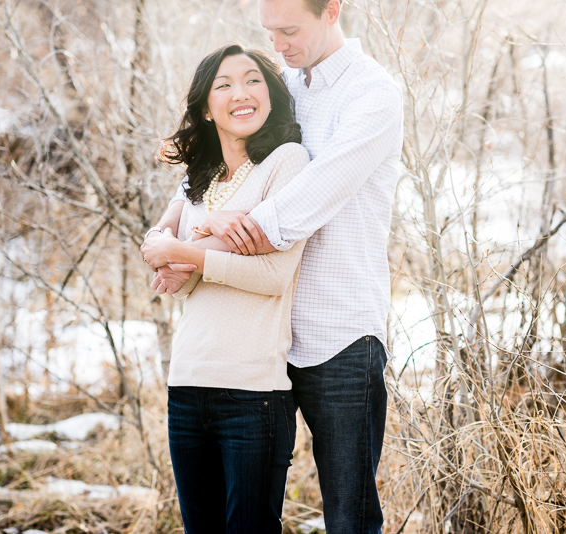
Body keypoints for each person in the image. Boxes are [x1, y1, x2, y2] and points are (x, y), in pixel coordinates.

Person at [154, 0, 403, 531]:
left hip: (338, 337)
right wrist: (175, 221)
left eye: (289, 30)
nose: (279, 45)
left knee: (348, 516)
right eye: (270, 33)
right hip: (263, 345)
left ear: (331, 10)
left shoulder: (371, 94)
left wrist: (203, 241)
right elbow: (227, 157)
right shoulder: (282, 85)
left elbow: (313, 195)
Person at [140, 44, 310, 533]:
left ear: (272, 94)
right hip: (187, 384)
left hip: (253, 394)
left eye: (254, 79)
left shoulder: (286, 163)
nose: (242, 93)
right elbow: (174, 280)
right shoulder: (201, 180)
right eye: (224, 84)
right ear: (206, 108)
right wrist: (176, 250)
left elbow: (274, 277)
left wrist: (188, 255)